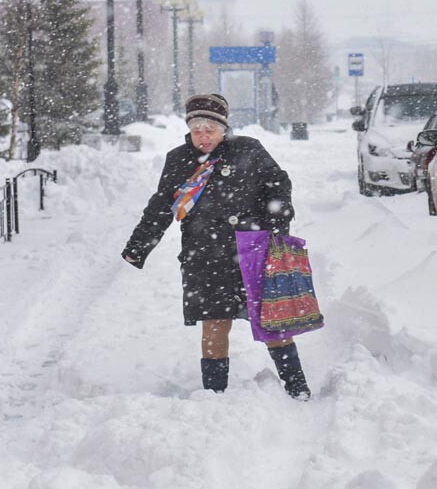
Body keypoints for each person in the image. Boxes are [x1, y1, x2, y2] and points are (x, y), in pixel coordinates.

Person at [122, 93, 311, 399]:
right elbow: (161, 206)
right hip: (205, 255)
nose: (204, 136)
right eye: (197, 130)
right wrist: (139, 246)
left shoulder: (248, 149)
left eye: (210, 129)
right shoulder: (179, 160)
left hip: (252, 250)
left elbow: (278, 184)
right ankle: (214, 394)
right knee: (214, 322)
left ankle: (297, 387)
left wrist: (277, 226)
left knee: (272, 320)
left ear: (224, 127)